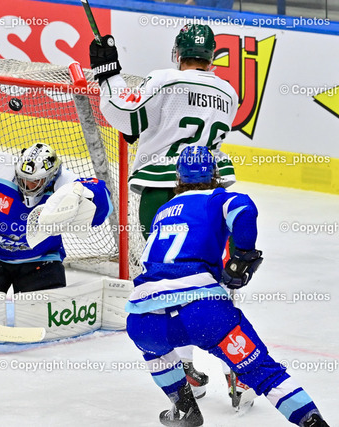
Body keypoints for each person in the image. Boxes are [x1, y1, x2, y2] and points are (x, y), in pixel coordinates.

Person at [124, 146, 329, 427]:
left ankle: (183, 406)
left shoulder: (163, 210)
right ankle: (311, 421)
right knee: (264, 372)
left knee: (152, 349)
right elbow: (245, 210)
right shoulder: (216, 199)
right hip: (203, 313)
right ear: (215, 175)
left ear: (178, 179)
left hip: (143, 319)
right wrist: (242, 258)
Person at [90, 23, 239, 397]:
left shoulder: (165, 79)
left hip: (165, 190)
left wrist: (107, 73)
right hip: (211, 192)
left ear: (178, 53)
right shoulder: (228, 92)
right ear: (211, 57)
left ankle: (185, 365)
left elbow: (127, 119)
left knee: (169, 279)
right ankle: (235, 361)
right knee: (211, 275)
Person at [0, 142, 112, 293]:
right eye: (23, 178)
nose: (26, 185)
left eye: (34, 182)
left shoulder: (66, 184)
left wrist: (85, 195)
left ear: (50, 177)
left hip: (41, 260)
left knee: (45, 316)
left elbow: (103, 206)